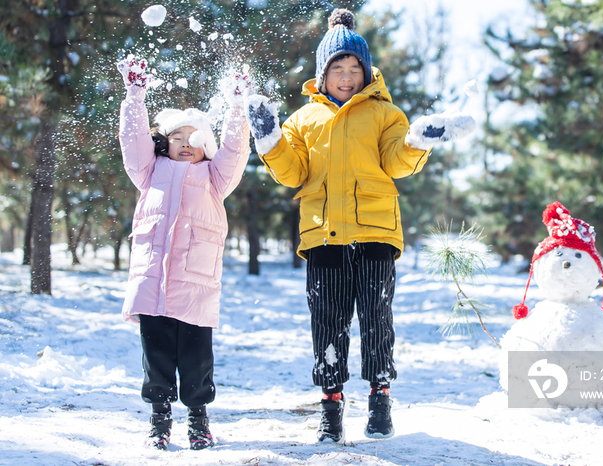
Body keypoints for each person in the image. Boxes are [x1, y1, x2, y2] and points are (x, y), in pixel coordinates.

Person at [244, 9, 475, 443]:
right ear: (322, 74)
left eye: (355, 68)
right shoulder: (304, 120)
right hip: (322, 234)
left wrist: (416, 140)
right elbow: (292, 173)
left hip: (375, 234)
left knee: (376, 318)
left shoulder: (386, 114)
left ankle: (379, 398)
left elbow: (396, 162)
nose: (347, 77)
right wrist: (270, 140)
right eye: (338, 69)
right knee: (327, 320)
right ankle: (331, 407)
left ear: (367, 72)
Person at [116, 55, 251, 450]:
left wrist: (237, 107)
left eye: (194, 138)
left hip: (195, 284)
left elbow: (235, 149)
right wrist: (134, 96)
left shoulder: (215, 177)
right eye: (177, 137)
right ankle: (159, 419)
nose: (186, 144)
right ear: (165, 143)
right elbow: (132, 139)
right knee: (156, 359)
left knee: (196, 361)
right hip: (153, 281)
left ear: (205, 145)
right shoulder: (148, 171)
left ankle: (198, 418)